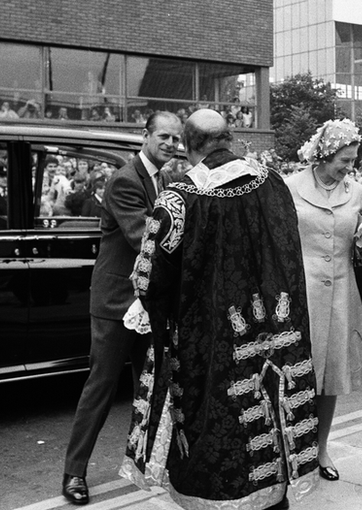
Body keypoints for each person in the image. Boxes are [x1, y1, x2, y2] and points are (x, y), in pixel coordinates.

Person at [119, 109, 317, 510]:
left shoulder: (178, 201)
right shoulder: (274, 184)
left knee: (218, 432)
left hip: (209, 342)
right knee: (267, 425)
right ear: (229, 139)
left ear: (189, 146)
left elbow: (148, 279)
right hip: (275, 331)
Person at [61, 111, 181, 505]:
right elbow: (146, 237)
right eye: (163, 136)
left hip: (148, 304)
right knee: (100, 388)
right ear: (144, 136)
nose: (170, 143)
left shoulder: (164, 179)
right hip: (116, 304)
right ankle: (74, 473)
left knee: (148, 389)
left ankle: (148, 466)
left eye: (175, 139)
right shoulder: (126, 180)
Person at [284, 118, 362, 482]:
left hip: (341, 291)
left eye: (354, 161)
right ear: (324, 154)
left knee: (332, 375)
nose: (350, 168)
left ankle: (321, 449)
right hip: (299, 293)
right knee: (296, 375)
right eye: (344, 160)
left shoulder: (356, 191)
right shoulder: (290, 186)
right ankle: (291, 449)